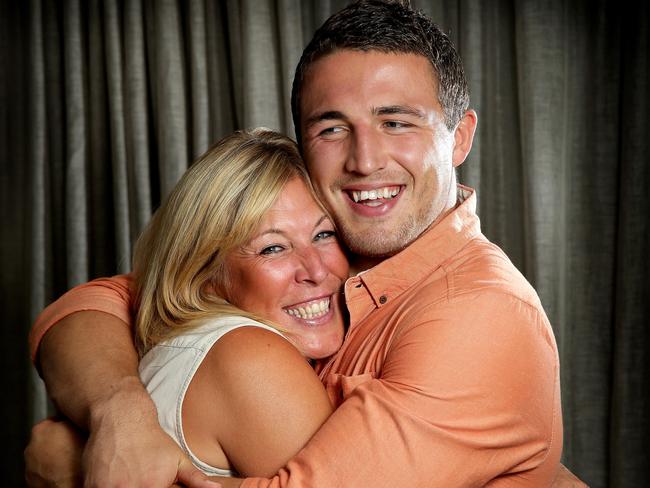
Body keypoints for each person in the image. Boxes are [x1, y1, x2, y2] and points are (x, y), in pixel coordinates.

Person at [26, 1, 582, 486]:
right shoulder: (337, 237)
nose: (365, 160)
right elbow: (102, 301)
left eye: (396, 122)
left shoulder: (479, 313)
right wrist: (115, 408)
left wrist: (75, 471)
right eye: (332, 128)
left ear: (459, 137)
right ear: (304, 144)